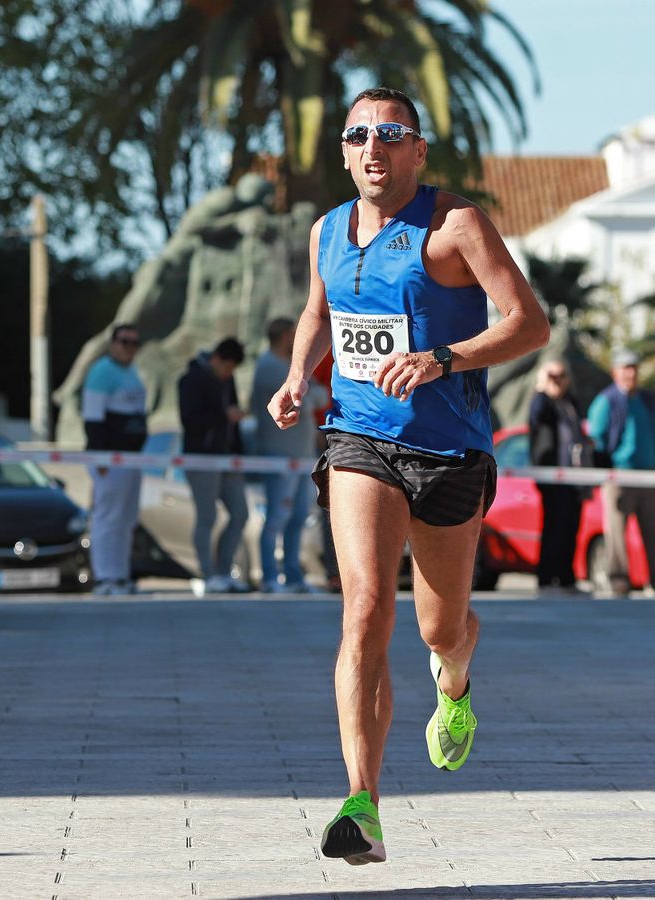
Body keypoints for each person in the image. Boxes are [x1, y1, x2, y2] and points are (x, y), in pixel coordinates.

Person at [265, 87, 548, 865]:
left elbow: (530, 321)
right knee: (363, 607)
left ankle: (453, 681)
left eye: (390, 133)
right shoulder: (328, 229)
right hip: (359, 438)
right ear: (346, 151)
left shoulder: (454, 225)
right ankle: (363, 802)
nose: (372, 148)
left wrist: (441, 359)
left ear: (418, 150)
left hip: (450, 452)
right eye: (358, 135)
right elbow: (319, 313)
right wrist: (297, 375)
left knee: (438, 627)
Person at [586, 349, 655, 598]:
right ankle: (618, 581)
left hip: (650, 476)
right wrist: (605, 471)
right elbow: (597, 438)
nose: (631, 373)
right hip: (620, 476)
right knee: (616, 533)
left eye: (634, 367)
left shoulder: (646, 400)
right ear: (615, 372)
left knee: (654, 531)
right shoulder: (607, 400)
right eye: (625, 368)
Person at [251, 318, 326, 594]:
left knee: (297, 517)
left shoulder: (294, 366)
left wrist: (310, 393)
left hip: (302, 455)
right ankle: (270, 577)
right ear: (284, 336)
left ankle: (294, 577)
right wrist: (309, 394)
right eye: (293, 334)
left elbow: (320, 394)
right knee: (276, 518)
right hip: (279, 455)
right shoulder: (268, 366)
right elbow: (304, 397)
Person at [178, 337, 250, 594]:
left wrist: (238, 450)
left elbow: (232, 416)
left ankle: (224, 571)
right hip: (201, 458)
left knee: (240, 514)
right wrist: (223, 416)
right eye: (228, 368)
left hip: (228, 457)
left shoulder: (226, 379)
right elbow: (190, 421)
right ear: (217, 359)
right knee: (207, 517)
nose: (229, 374)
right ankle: (207, 575)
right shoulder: (190, 380)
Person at [81, 324, 148, 595]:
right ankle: (104, 578)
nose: (129, 347)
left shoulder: (132, 372)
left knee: (126, 519)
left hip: (132, 457)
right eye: (124, 342)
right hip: (110, 458)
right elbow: (93, 419)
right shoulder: (101, 372)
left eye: (134, 343)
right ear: (113, 343)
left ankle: (120, 576)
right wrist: (101, 458)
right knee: (108, 517)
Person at [527, 360, 591, 591]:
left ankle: (566, 577)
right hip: (552, 475)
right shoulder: (541, 401)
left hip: (575, 476)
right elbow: (536, 418)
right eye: (552, 375)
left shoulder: (570, 402)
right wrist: (542, 387)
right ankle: (546, 577)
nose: (558, 380)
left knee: (571, 526)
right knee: (553, 526)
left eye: (561, 375)